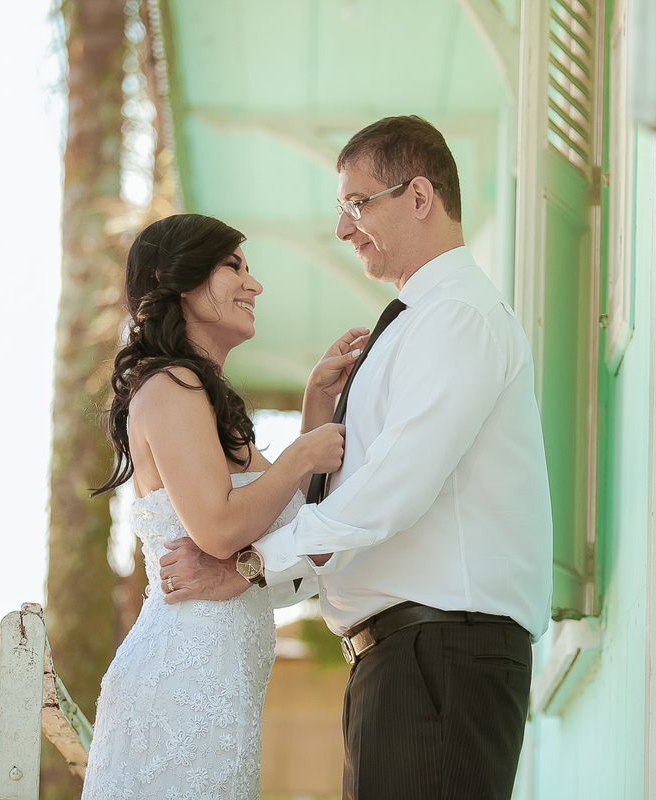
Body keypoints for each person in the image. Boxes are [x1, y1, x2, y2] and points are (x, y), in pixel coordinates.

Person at [165, 115, 553, 799]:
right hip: (406, 665)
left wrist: (250, 565)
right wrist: (265, 575)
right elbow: (351, 512)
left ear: (420, 197)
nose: (343, 229)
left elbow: (395, 490)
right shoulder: (415, 324)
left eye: (356, 202)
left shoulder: (458, 316)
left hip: (440, 660)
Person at [81, 213, 368, 799]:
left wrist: (317, 401)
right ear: (175, 280)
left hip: (221, 689)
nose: (253, 284)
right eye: (233, 266)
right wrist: (295, 456)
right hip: (180, 686)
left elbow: (298, 526)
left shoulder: (206, 404)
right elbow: (217, 528)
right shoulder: (169, 388)